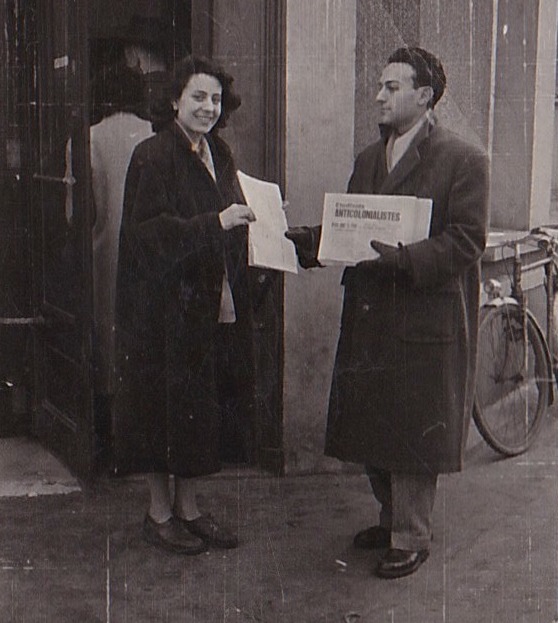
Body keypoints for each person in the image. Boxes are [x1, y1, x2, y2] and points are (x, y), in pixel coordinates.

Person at [287, 47, 489, 578]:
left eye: (391, 87)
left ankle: (411, 536)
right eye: (380, 85)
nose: (378, 95)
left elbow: (467, 241)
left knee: (414, 434)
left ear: (424, 96)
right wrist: (306, 242)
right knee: (375, 425)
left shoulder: (464, 160)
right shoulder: (367, 159)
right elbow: (351, 228)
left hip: (423, 319)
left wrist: (405, 258)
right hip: (373, 317)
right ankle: (391, 515)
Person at [112, 55, 256, 555]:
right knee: (160, 406)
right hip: (159, 305)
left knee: (197, 405)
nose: (208, 107)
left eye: (215, 99)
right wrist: (216, 223)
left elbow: (233, 213)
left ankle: (190, 509)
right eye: (198, 96)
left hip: (205, 299)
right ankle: (159, 512)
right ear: (174, 100)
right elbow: (147, 235)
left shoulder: (219, 151)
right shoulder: (153, 155)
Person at [89, 64, 154, 457]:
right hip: (146, 253)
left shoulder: (88, 138)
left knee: (106, 340)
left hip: (104, 254)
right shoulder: (154, 136)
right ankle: (137, 441)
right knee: (140, 339)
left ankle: (110, 439)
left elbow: (77, 213)